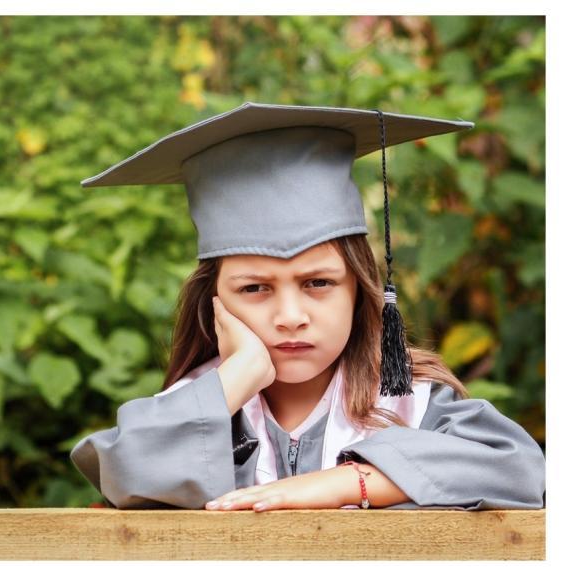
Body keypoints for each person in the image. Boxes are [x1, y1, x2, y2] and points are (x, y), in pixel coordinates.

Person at [69, 103, 546, 511]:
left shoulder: (410, 402)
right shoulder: (198, 407)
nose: (291, 316)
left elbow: (519, 468)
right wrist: (238, 376)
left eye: (318, 283)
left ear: (358, 288)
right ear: (214, 301)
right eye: (254, 288)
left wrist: (346, 483)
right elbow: (125, 471)